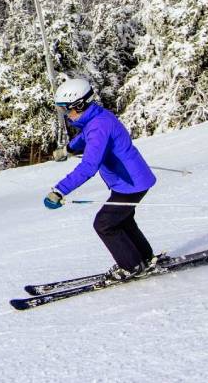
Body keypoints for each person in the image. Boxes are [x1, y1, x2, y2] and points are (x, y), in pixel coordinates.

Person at [43, 78, 162, 281]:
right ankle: (143, 258)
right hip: (130, 180)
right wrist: (69, 149)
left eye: (66, 109)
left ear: (79, 105)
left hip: (130, 183)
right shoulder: (97, 118)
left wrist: (59, 190)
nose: (65, 114)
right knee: (122, 220)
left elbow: (89, 166)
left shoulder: (98, 126)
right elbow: (86, 136)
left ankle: (131, 266)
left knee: (104, 224)